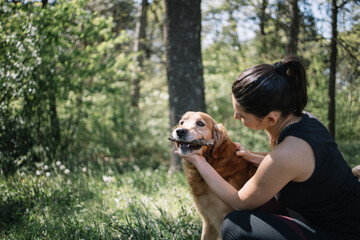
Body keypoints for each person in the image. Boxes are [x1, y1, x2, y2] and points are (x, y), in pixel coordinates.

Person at [179, 56, 360, 240]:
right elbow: (305, 166)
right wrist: (254, 157)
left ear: (271, 119)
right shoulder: (306, 119)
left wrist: (198, 160)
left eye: (242, 115)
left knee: (234, 225)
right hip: (351, 213)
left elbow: (239, 202)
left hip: (342, 233)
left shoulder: (287, 154)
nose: (235, 117)